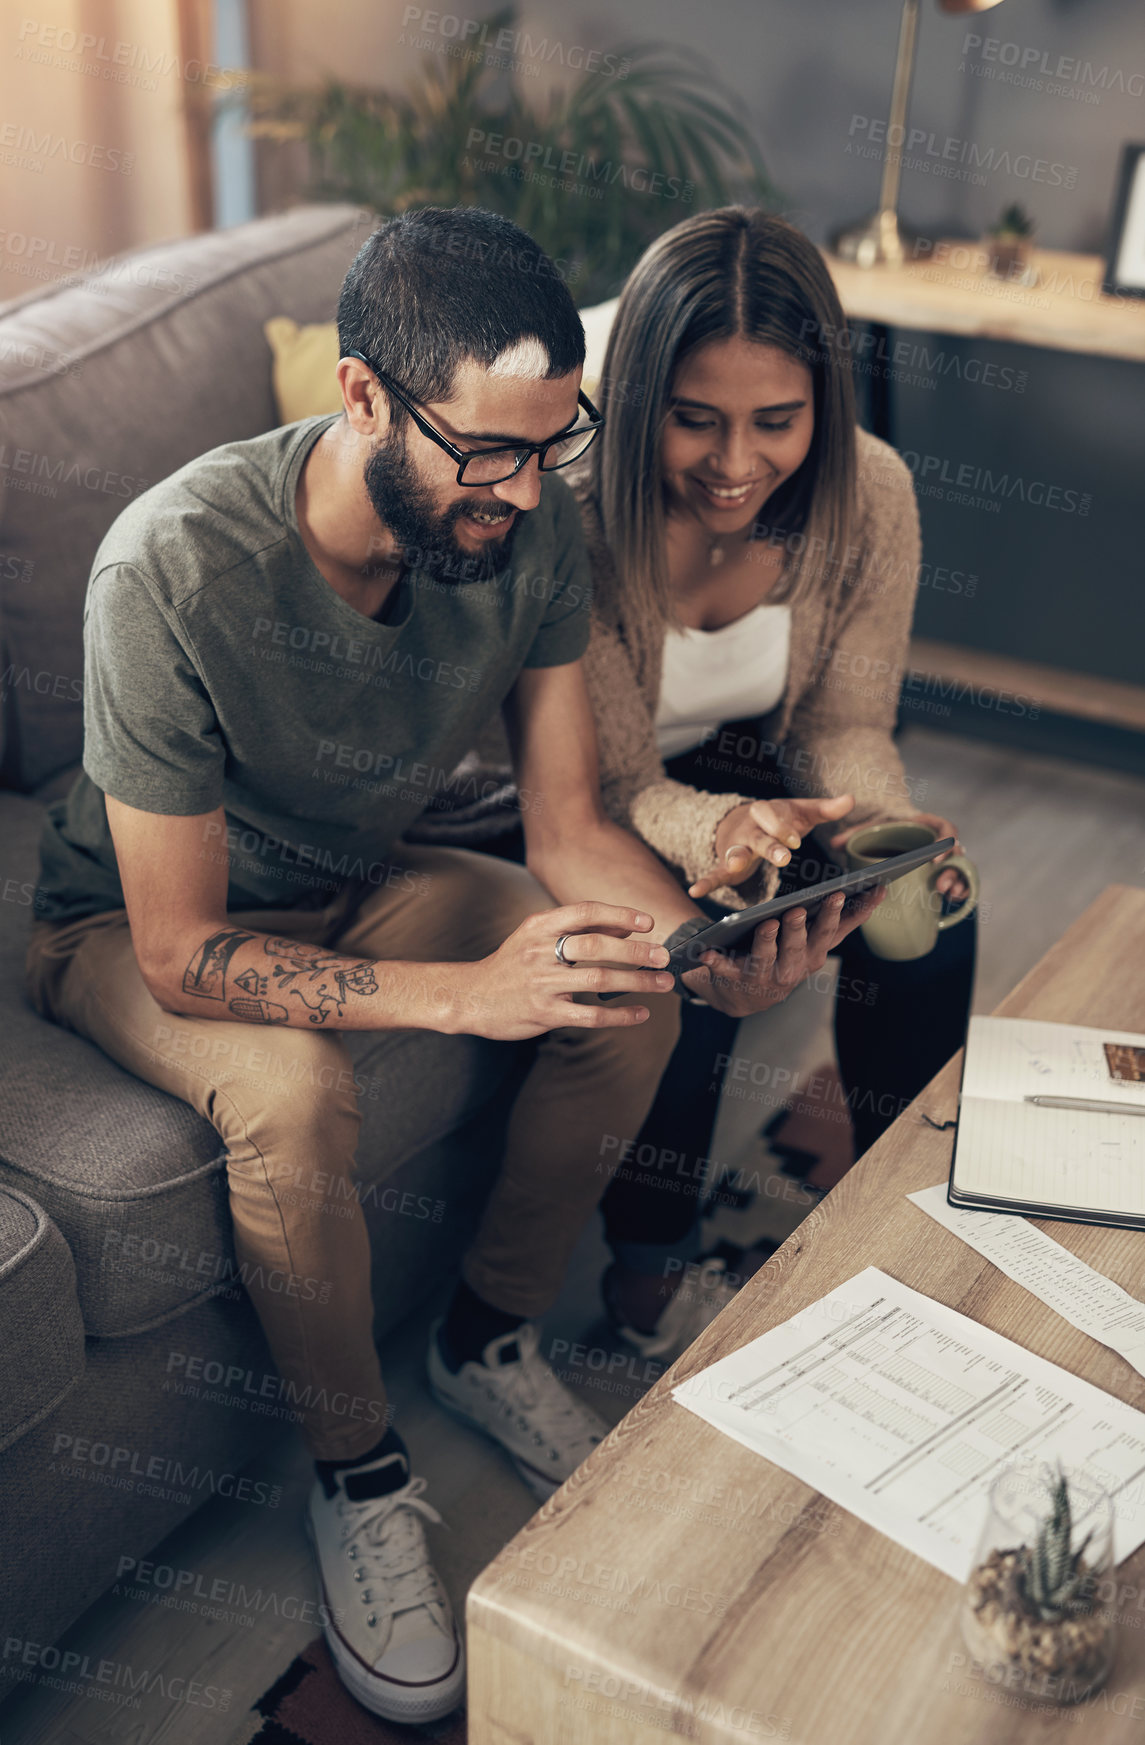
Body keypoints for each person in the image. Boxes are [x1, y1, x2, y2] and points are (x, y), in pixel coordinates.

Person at [25, 207, 882, 1725]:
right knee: (290, 1094)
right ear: (362, 398)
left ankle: (490, 1333)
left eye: (553, 445)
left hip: (362, 883)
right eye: (488, 453)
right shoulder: (169, 565)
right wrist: (460, 995)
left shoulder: (528, 519)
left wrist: (699, 952)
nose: (526, 490)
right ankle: (358, 1477)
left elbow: (563, 822)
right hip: (138, 929)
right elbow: (175, 945)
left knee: (610, 970)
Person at [429, 207, 976, 1367]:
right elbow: (612, 776)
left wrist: (880, 830)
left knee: (929, 909)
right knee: (691, 939)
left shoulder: (870, 494)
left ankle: (905, 1203)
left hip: (735, 764)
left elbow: (841, 722)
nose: (734, 464)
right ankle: (647, 1275)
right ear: (637, 405)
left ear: (823, 404)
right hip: (549, 787)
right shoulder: (568, 514)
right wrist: (725, 830)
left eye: (775, 421)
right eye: (694, 421)